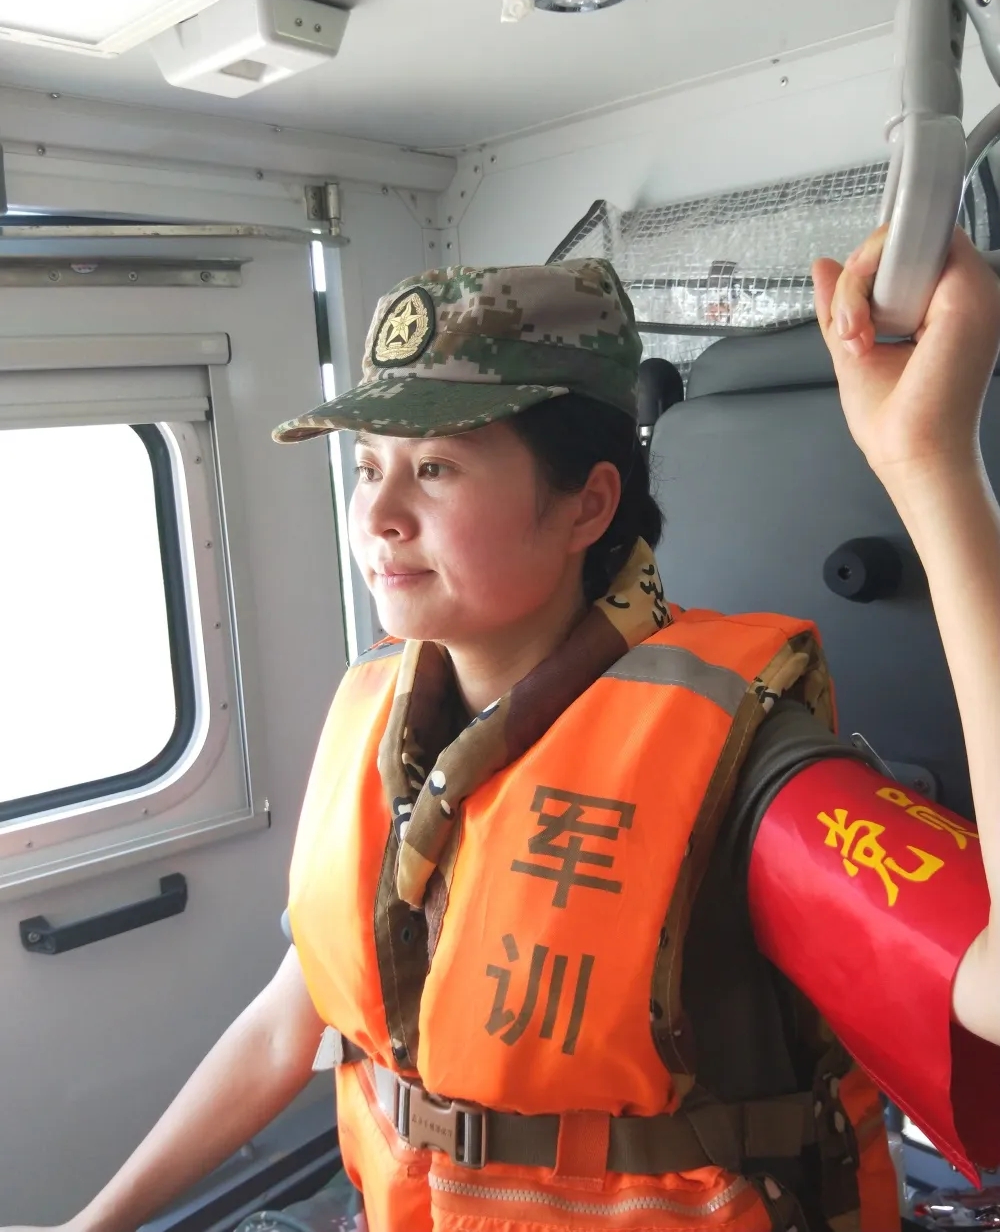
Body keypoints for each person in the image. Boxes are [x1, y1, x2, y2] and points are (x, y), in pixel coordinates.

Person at [10, 227, 1000, 1232]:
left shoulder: (738, 758)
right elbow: (284, 1027)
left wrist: (930, 466)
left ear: (586, 506)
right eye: (368, 466)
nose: (379, 514)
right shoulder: (382, 717)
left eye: (436, 468)